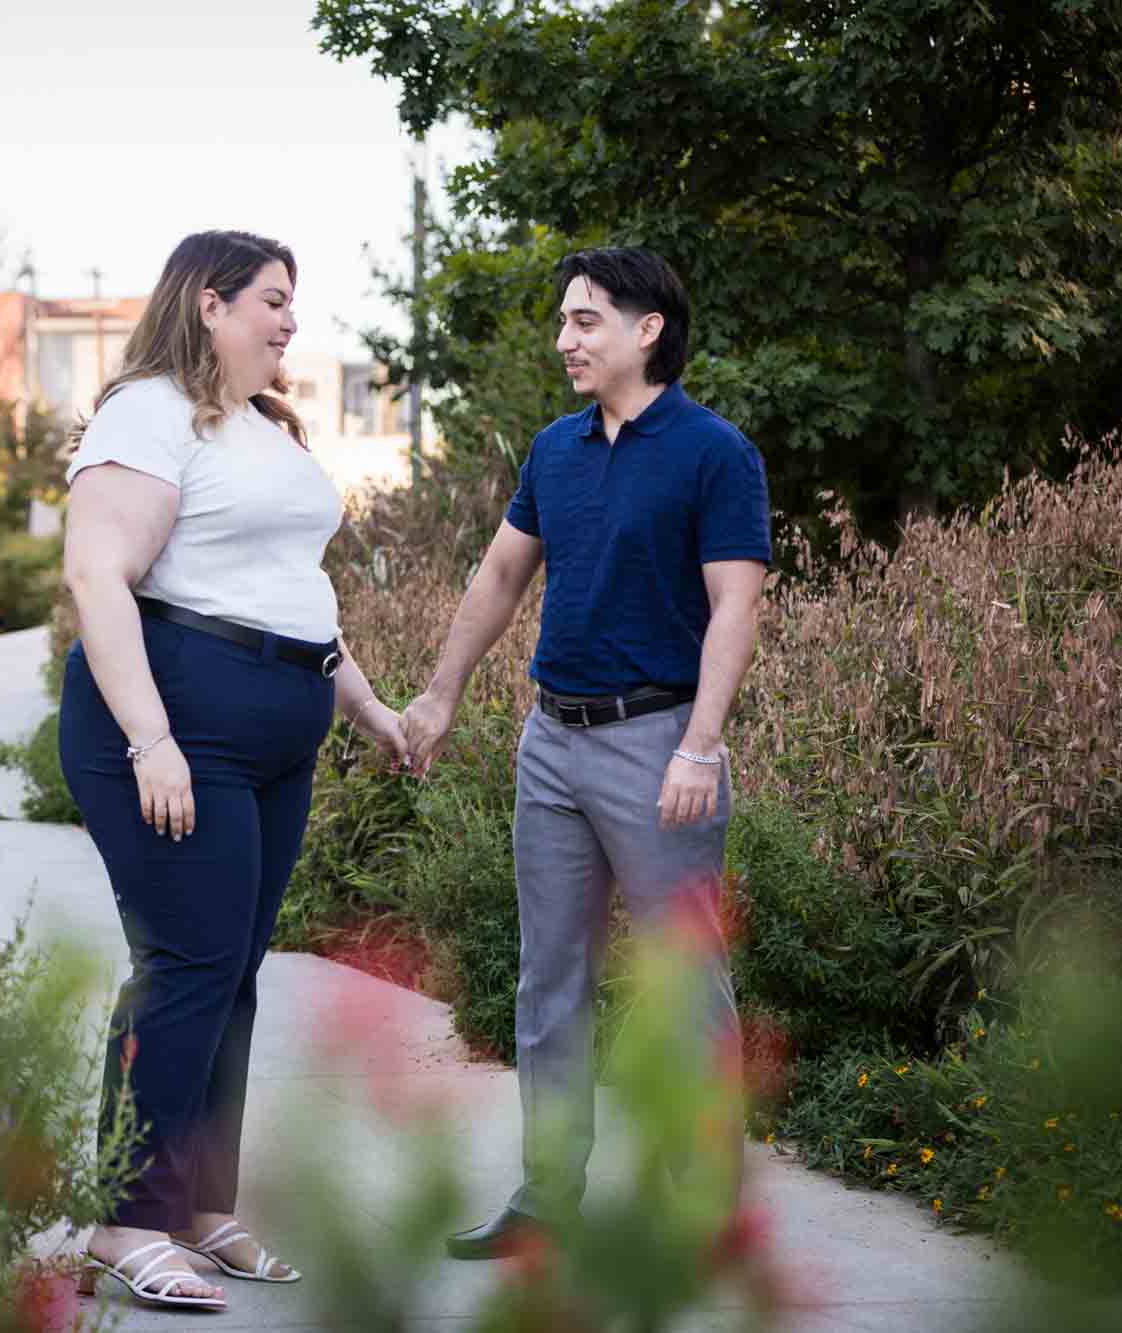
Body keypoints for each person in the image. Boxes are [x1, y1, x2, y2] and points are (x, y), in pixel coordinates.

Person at [59, 230, 409, 1310]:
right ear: (207, 305)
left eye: (290, 303)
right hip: (178, 721)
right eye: (269, 299)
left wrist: (370, 711)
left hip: (274, 727)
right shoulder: (147, 412)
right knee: (188, 961)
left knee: (233, 970)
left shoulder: (262, 428)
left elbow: (293, 597)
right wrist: (151, 740)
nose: (288, 320)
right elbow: (98, 574)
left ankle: (201, 1209)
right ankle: (125, 1219)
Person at [400, 247, 771, 1259]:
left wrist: (700, 744)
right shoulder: (554, 450)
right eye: (563, 322)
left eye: (582, 321)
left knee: (679, 985)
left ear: (646, 328)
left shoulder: (713, 453)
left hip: (659, 742)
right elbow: (498, 574)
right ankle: (547, 1198)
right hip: (550, 742)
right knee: (546, 979)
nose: (563, 340)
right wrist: (439, 693)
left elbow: (734, 603)